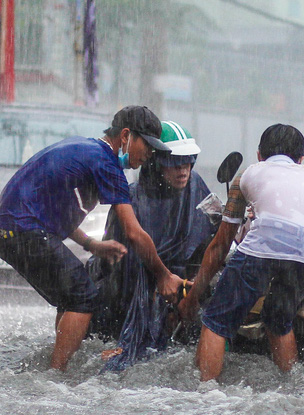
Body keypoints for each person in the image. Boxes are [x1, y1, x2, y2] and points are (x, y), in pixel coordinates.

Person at [0, 106, 188, 371]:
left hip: (5, 230)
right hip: (24, 231)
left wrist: (91, 244)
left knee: (70, 296)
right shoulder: (105, 163)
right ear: (126, 136)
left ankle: (57, 364)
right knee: (84, 298)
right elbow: (134, 232)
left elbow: (55, 210)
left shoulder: (86, 150)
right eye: (147, 146)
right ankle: (56, 374)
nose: (149, 154)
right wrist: (163, 276)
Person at [178, 124, 304, 382]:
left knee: (217, 319)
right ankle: (290, 382)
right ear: (301, 159)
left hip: (268, 244)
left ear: (259, 155)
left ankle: (204, 391)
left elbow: (221, 245)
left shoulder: (246, 176)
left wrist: (193, 298)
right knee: (279, 318)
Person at [88, 121, 219, 371]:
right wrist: (160, 293)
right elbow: (121, 268)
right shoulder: (133, 199)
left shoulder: (196, 186)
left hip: (181, 284)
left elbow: (214, 237)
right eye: (175, 163)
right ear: (156, 162)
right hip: (134, 289)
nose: (183, 170)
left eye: (188, 162)